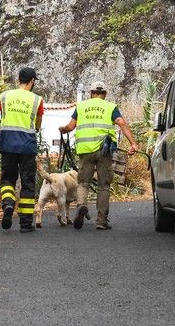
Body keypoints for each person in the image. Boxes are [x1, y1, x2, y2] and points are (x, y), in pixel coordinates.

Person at [59, 81, 139, 230]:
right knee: (103, 185)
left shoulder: (81, 106)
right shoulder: (110, 107)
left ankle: (81, 205)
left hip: (85, 150)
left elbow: (70, 126)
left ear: (91, 93)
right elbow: (121, 122)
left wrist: (63, 130)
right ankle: (101, 221)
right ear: (105, 94)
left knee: (83, 182)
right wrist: (133, 143)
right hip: (104, 150)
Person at [0, 67, 44, 233]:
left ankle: (8, 204)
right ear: (32, 81)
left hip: (7, 143)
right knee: (28, 183)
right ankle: (25, 223)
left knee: (7, 179)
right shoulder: (36, 100)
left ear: (19, 80)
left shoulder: (4, 96)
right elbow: (38, 123)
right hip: (27, 146)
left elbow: (2, 114)